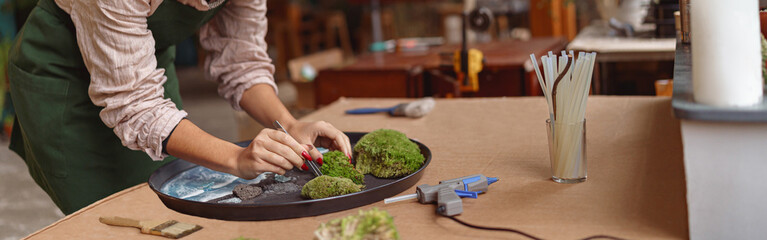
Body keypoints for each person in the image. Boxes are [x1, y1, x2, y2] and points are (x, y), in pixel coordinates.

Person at [8, 0, 352, 215]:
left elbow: (241, 60)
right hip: (63, 76)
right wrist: (236, 158)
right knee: (110, 217)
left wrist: (290, 125)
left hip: (146, 67)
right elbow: (136, 105)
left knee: (165, 203)